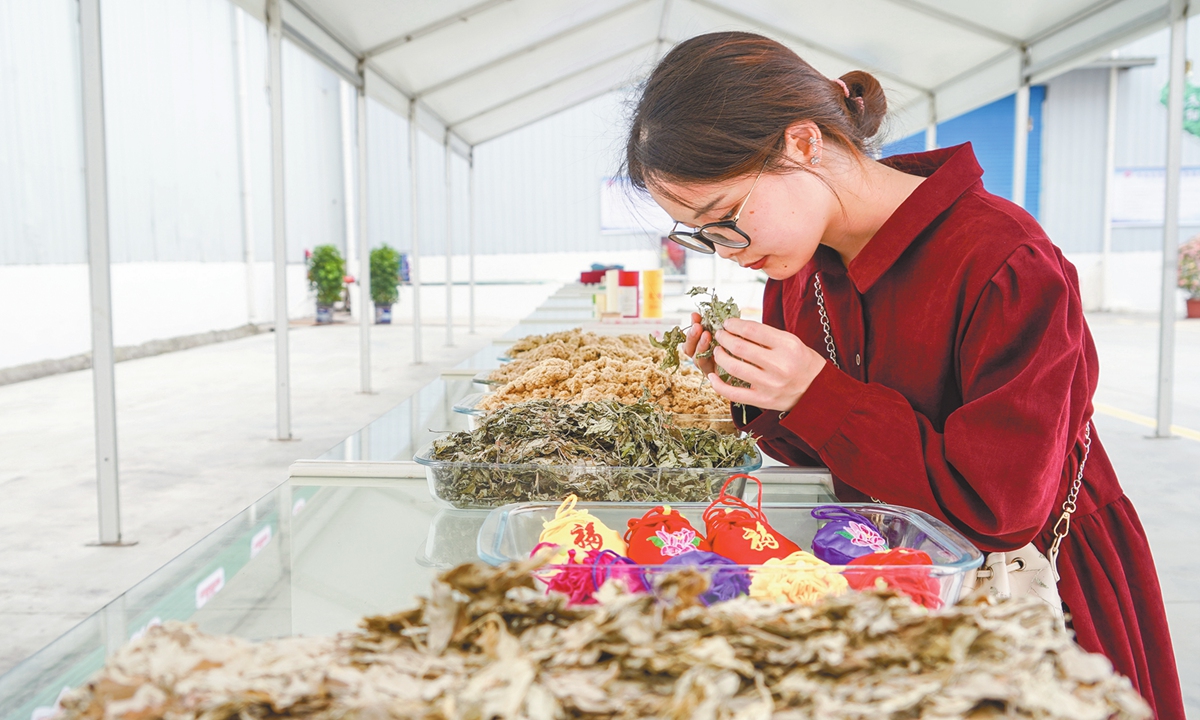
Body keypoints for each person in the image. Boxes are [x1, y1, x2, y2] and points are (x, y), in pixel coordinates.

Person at [625, 31, 1184, 719]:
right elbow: (828, 456)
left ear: (802, 144)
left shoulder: (1003, 261)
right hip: (892, 573)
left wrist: (813, 392)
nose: (723, 252)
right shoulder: (797, 269)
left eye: (726, 220)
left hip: (1032, 583)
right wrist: (757, 392)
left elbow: (1000, 510)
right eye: (699, 235)